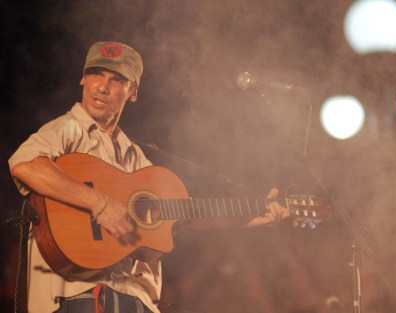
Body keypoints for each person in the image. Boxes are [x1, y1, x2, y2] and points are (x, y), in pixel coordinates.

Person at [8, 41, 287, 313]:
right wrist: (100, 203)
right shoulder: (68, 129)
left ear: (133, 93)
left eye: (117, 80)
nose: (102, 87)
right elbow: (25, 165)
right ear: (83, 80)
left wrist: (249, 217)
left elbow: (183, 215)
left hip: (138, 297)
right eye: (96, 74)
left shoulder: (138, 158)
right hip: (81, 294)